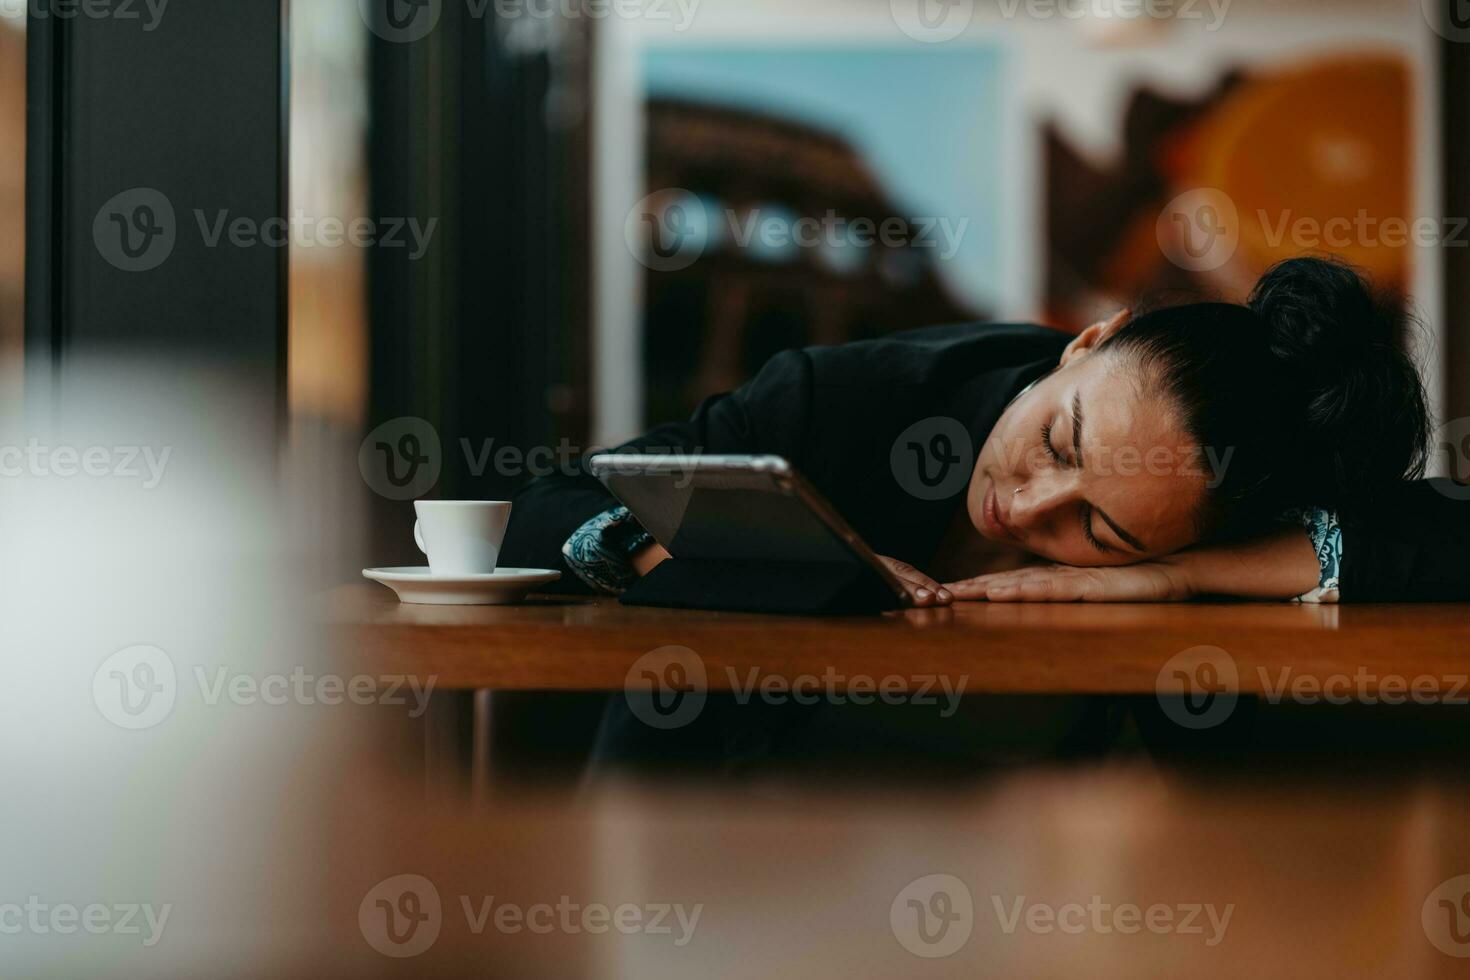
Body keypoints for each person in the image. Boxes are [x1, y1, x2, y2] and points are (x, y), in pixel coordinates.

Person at [497, 256, 1469, 773]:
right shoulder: (855, 398)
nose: (1023, 506)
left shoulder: (1225, 503)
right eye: (1058, 439)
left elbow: (1443, 532)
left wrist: (1180, 576)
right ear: (1091, 340)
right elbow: (547, 512)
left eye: (1100, 531)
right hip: (732, 833)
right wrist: (744, 556)